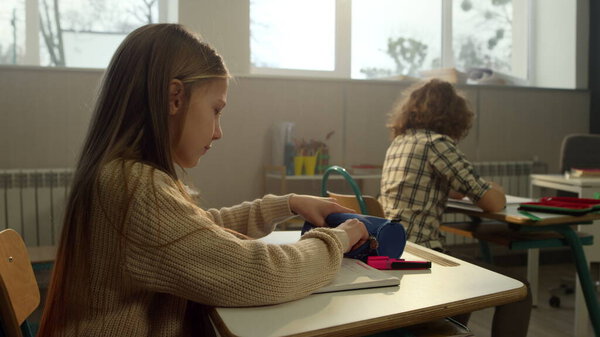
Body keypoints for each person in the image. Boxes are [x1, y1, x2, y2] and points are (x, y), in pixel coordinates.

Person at [38, 24, 369, 337]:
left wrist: (285, 204)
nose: (218, 131)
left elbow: (198, 230)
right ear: (175, 98)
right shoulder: (136, 189)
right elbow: (262, 274)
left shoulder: (120, 175)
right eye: (216, 110)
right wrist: (337, 240)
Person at [379, 79, 531, 337]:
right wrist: (497, 190)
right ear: (454, 115)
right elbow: (492, 202)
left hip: (396, 251)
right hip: (423, 256)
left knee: (466, 282)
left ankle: (451, 329)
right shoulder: (436, 143)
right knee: (520, 288)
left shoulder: (400, 142)